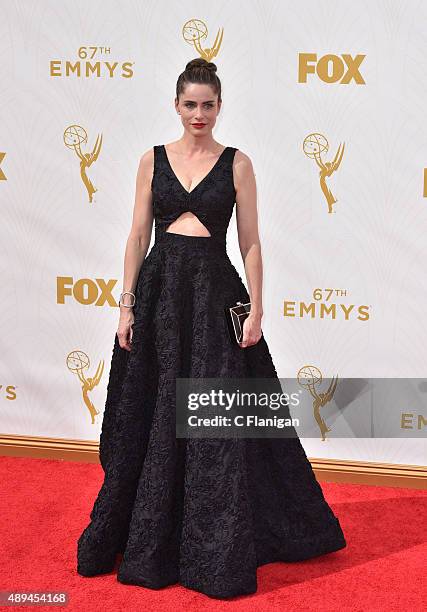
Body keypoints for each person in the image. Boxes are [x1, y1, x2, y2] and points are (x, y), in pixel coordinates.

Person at [77, 57, 346, 599]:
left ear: (220, 106)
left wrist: (258, 307)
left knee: (214, 420)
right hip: (159, 297)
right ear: (176, 106)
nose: (199, 113)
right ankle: (151, 536)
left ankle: (214, 545)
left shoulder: (238, 164)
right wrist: (125, 304)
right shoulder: (151, 161)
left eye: (208, 104)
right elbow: (136, 237)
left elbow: (249, 241)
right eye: (190, 104)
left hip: (215, 296)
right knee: (151, 416)